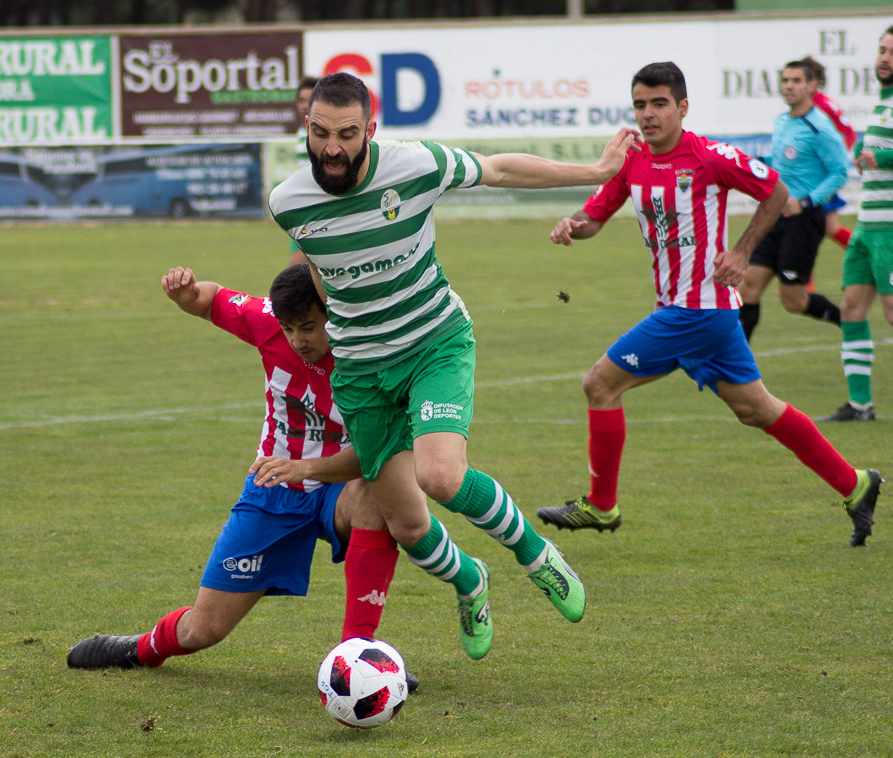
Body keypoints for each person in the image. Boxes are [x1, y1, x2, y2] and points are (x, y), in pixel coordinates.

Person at [269, 71, 636, 659]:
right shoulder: (287, 203)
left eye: (346, 133)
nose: (331, 148)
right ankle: (471, 582)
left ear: (371, 130)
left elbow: (500, 168)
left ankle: (536, 556)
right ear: (305, 126)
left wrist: (596, 174)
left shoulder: (414, 167)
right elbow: (316, 270)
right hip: (362, 372)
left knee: (440, 475)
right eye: (319, 132)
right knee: (407, 525)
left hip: (433, 343)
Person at [536, 61, 882, 547]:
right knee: (758, 410)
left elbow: (776, 190)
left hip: (696, 311)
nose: (648, 114)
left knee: (600, 384)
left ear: (682, 107)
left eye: (659, 104)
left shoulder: (709, 157)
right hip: (696, 312)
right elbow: (595, 215)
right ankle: (856, 483)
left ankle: (601, 504)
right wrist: (572, 225)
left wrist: (741, 253)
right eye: (640, 104)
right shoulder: (632, 159)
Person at [67, 265, 408, 672]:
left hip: (337, 484)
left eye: (308, 327)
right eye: (288, 329)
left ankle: (357, 660)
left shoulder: (367, 347)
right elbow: (208, 299)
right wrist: (185, 294)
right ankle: (138, 649)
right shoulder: (266, 321)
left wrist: (306, 467)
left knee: (379, 492)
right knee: (202, 630)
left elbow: (375, 454)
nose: (297, 340)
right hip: (274, 488)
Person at [817, 24, 893, 423]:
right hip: (865, 226)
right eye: (882, 50)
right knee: (851, 308)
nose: (885, 58)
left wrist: (885, 159)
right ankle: (860, 406)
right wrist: (863, 148)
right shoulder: (882, 105)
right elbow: (880, 148)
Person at [737, 59, 847, 342]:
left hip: (804, 221)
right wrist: (753, 164)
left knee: (793, 301)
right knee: (747, 287)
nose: (788, 86)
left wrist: (806, 202)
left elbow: (840, 172)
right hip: (773, 216)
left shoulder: (819, 127)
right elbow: (781, 162)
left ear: (811, 85)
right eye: (785, 80)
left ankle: (850, 323)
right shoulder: (783, 120)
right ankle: (733, 365)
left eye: (796, 80)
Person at [800, 56, 857, 252]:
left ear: (814, 81)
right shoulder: (804, 105)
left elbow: (849, 135)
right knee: (825, 227)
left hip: (820, 178)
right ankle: (866, 255)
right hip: (809, 176)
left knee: (807, 226)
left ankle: (865, 254)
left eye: (800, 78)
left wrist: (833, 162)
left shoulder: (823, 106)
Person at [287, 76, 319, 267]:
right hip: (303, 210)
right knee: (299, 275)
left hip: (318, 212)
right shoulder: (302, 132)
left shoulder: (322, 132)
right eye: (300, 100)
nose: (302, 105)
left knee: (297, 273)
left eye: (308, 100)